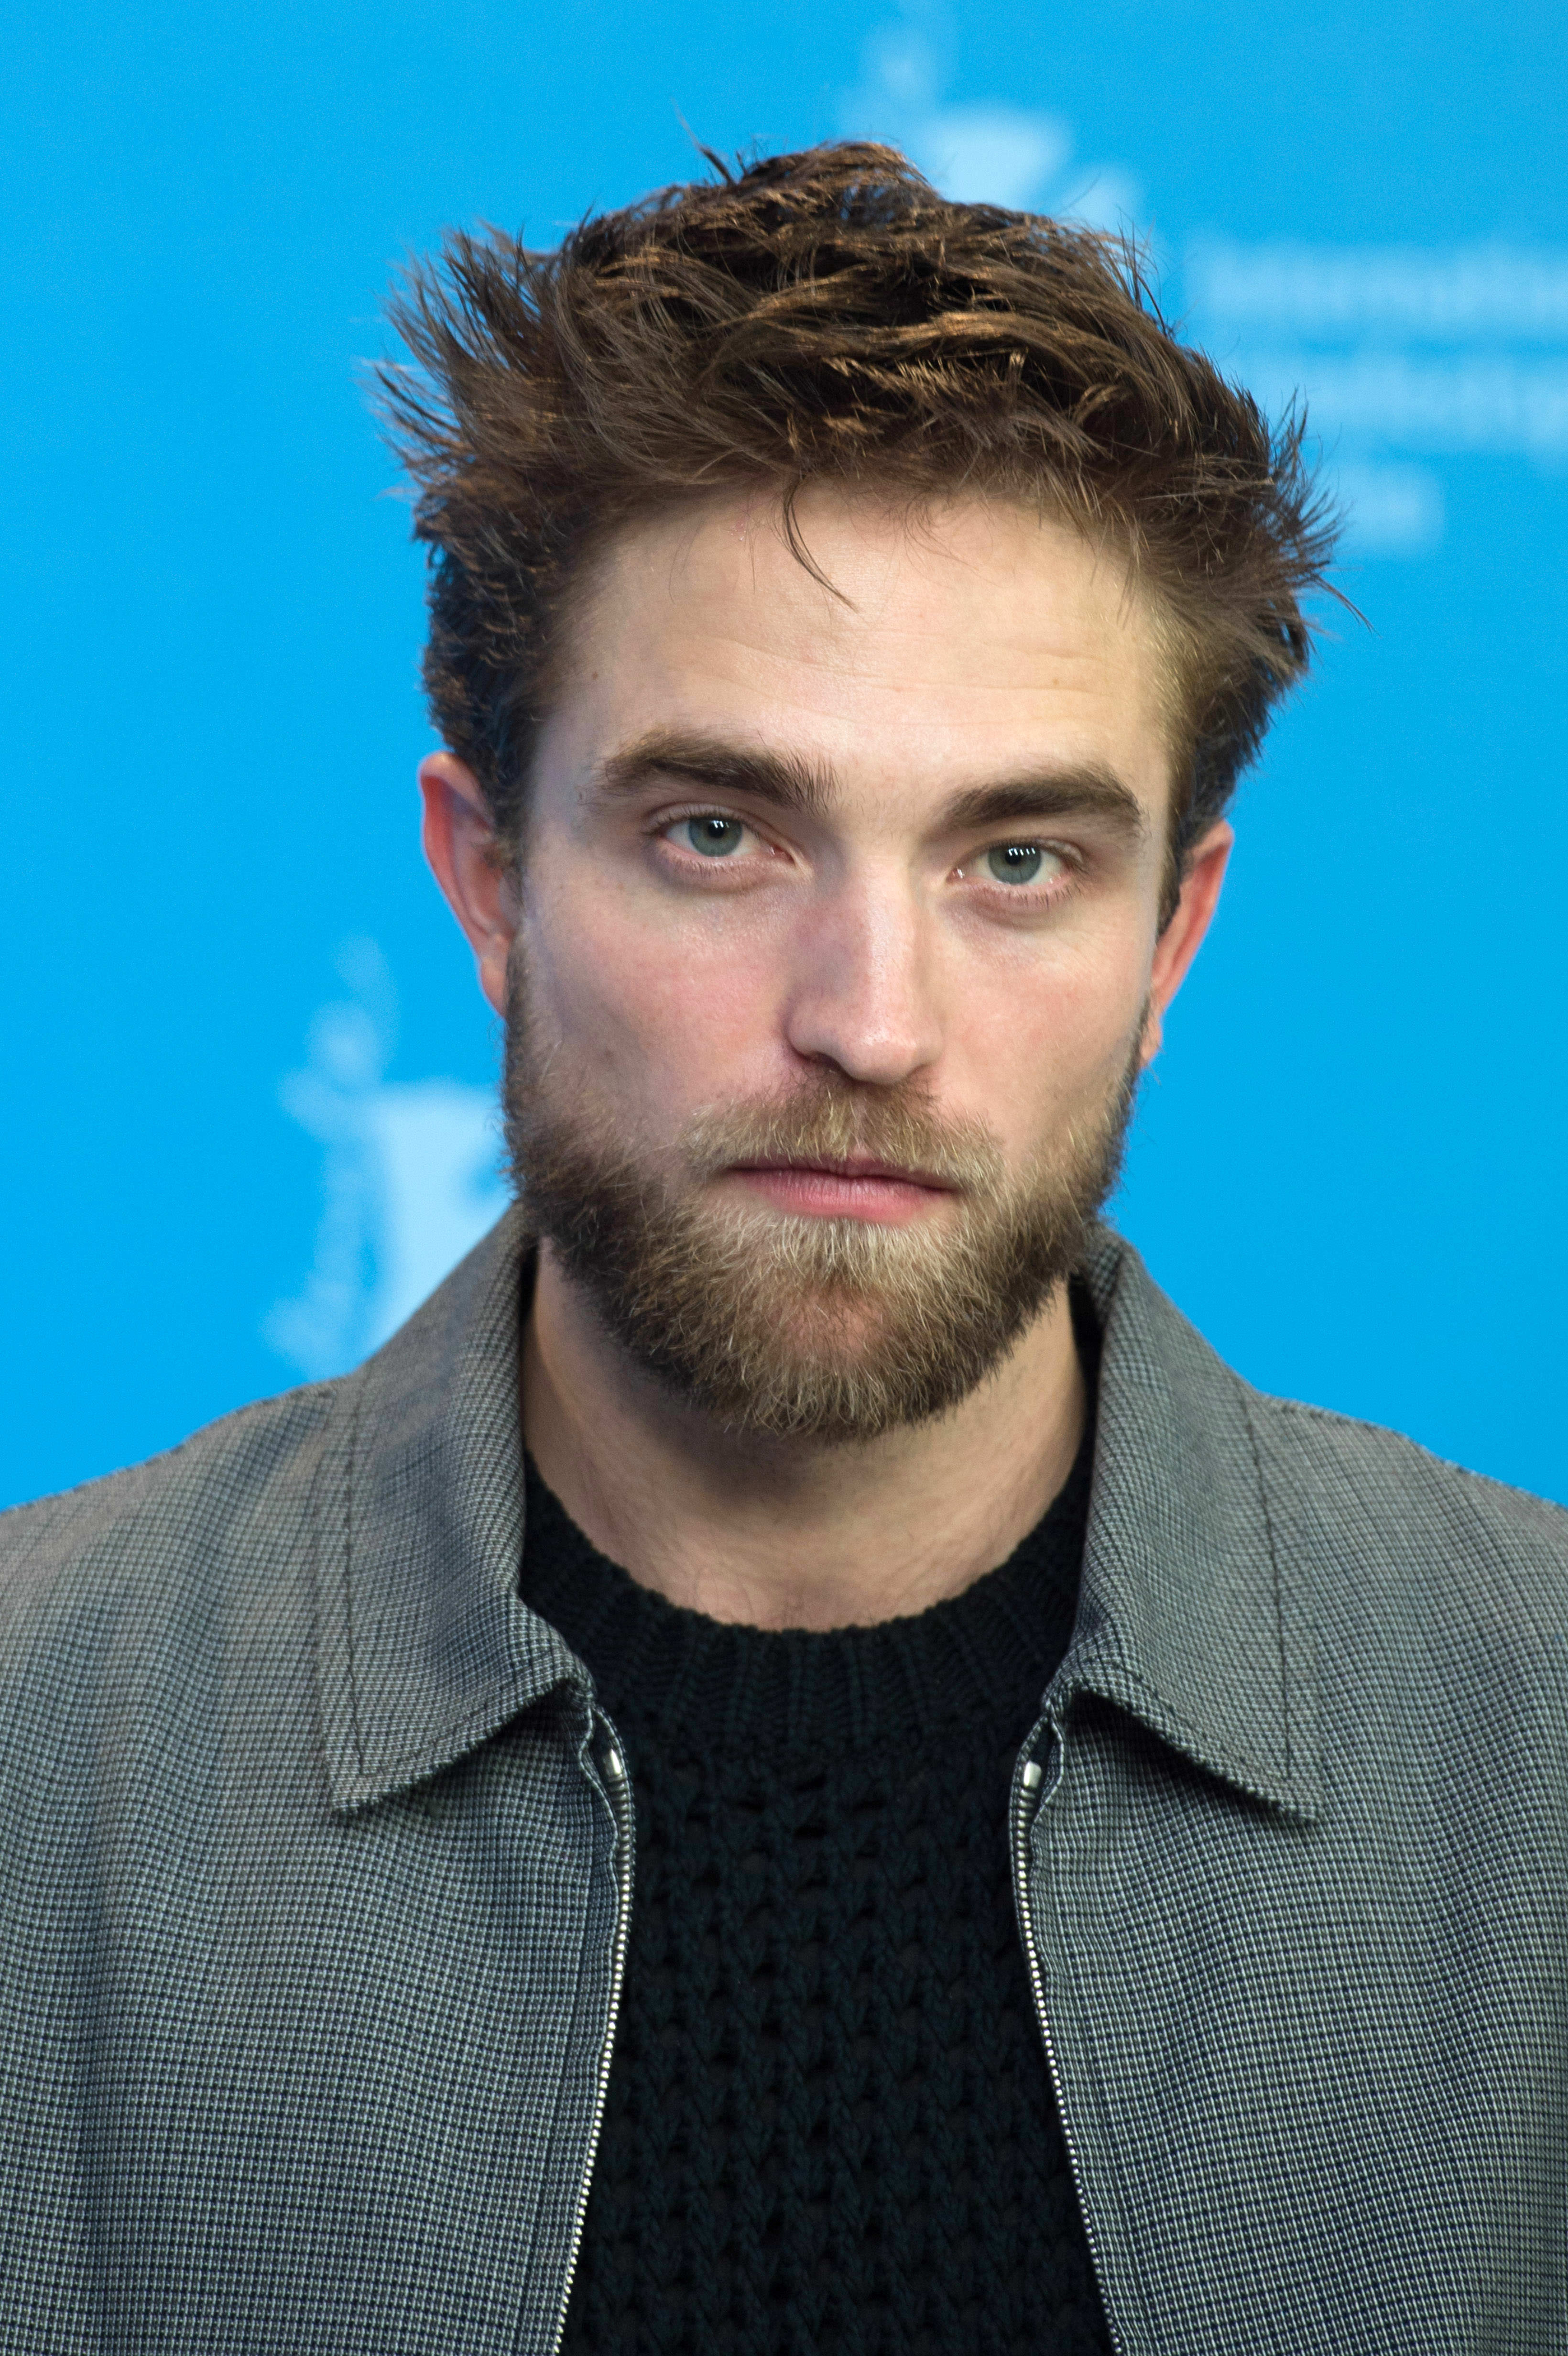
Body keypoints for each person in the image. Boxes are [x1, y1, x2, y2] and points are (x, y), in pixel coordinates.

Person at [1, 143, 1564, 2356]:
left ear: (1170, 936)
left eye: (1016, 860)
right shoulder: (34, 1741)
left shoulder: (1534, 1740)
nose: (869, 1021)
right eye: (719, 832)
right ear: (491, 880)